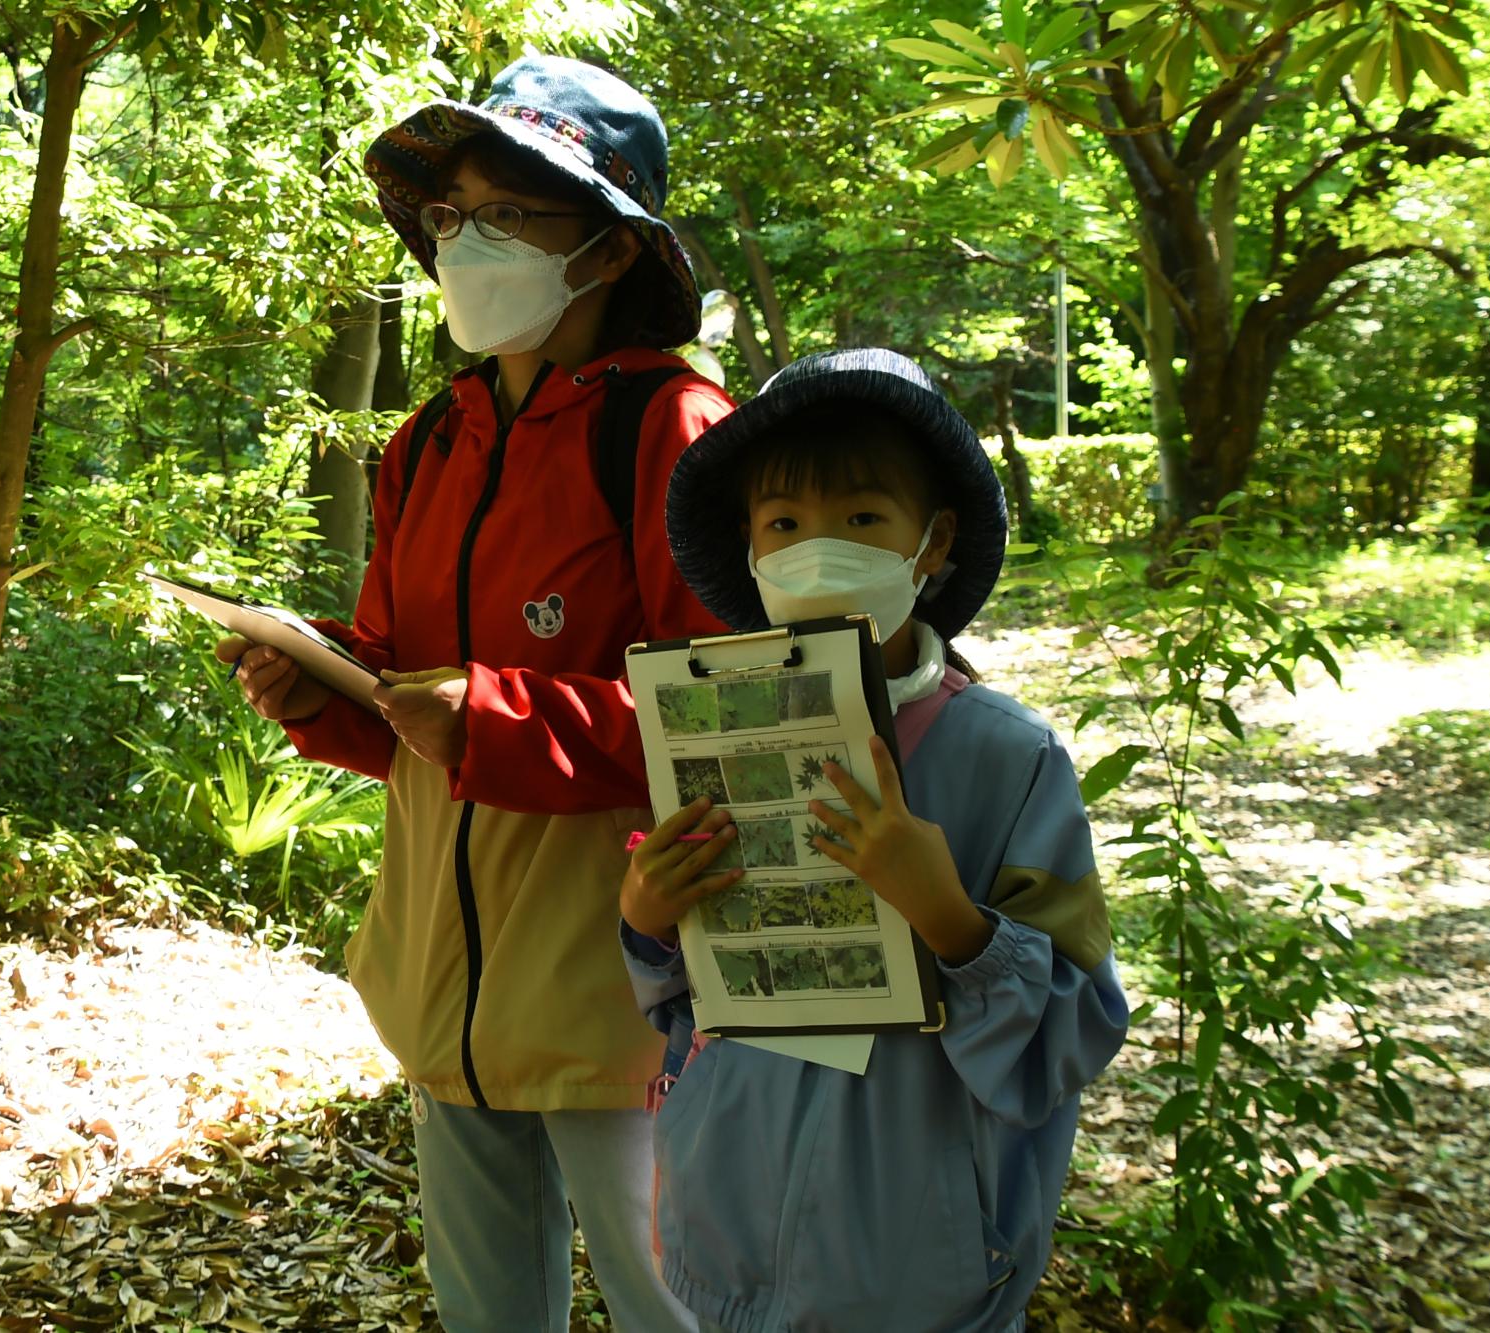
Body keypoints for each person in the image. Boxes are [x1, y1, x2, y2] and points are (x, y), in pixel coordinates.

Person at [216, 56, 731, 1332]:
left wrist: (492, 714)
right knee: (485, 1312)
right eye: (450, 215)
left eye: (511, 212)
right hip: (443, 985)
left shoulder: (673, 429)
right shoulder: (430, 439)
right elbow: (410, 703)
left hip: (621, 998)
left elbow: (730, 719)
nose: (465, 241)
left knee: (678, 1306)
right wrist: (315, 684)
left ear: (607, 253)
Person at [618, 349, 1130, 1332]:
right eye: (784, 524)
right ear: (751, 548)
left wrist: (949, 918)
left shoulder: (1006, 758)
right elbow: (689, 1001)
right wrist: (646, 922)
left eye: (859, 519)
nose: (818, 549)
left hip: (912, 1271)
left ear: (929, 543)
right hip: (722, 1235)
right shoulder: (714, 729)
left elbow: (1072, 1033)